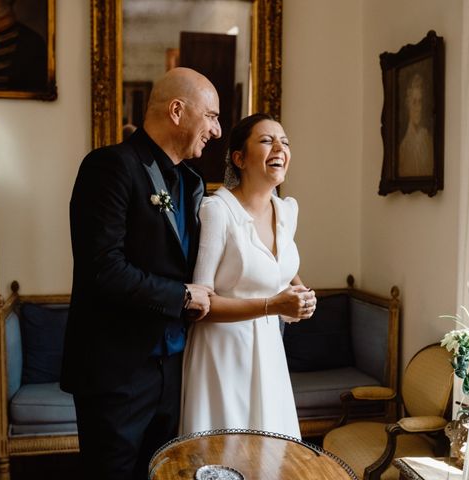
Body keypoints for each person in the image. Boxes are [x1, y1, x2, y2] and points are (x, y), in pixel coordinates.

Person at [61, 67, 221, 480]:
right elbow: (103, 269)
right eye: (212, 116)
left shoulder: (192, 182)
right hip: (117, 373)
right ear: (176, 111)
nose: (217, 130)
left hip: (174, 371)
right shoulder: (110, 166)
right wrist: (182, 296)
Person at [179, 113, 317, 439]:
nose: (279, 148)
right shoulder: (218, 211)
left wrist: (300, 292)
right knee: (224, 453)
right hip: (221, 354)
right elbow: (202, 304)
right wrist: (275, 305)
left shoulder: (287, 211)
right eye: (267, 141)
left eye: (284, 141)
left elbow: (277, 262)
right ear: (239, 158)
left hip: (269, 349)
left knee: (270, 452)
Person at [398, 73, 434, 177]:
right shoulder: (403, 149)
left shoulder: (428, 140)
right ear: (408, 104)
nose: (419, 108)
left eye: (420, 102)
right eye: (414, 102)